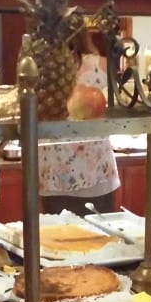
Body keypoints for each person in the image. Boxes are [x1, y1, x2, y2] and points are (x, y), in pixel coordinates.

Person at [39, 25, 120, 215]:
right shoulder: (102, 65)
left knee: (56, 233)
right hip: (97, 169)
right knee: (102, 232)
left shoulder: (42, 68)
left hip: (53, 173)